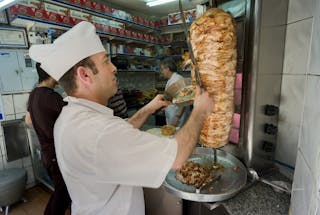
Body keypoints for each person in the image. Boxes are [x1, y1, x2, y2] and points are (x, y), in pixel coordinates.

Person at [28, 21, 214, 215]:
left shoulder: (71, 114)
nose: (114, 68)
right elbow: (176, 157)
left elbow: (119, 131)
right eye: (106, 61)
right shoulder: (98, 131)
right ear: (84, 75)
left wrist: (147, 109)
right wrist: (199, 110)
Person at [25, 62, 71, 215]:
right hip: (56, 155)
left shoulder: (34, 94)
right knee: (63, 195)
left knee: (61, 193)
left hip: (47, 154)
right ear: (52, 73)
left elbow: (28, 120)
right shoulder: (51, 96)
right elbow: (72, 119)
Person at [160, 57, 190, 127]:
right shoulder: (171, 79)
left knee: (177, 136)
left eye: (162, 69)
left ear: (167, 69)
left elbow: (185, 101)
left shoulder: (177, 80)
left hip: (178, 118)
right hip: (172, 115)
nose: (161, 72)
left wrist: (177, 118)